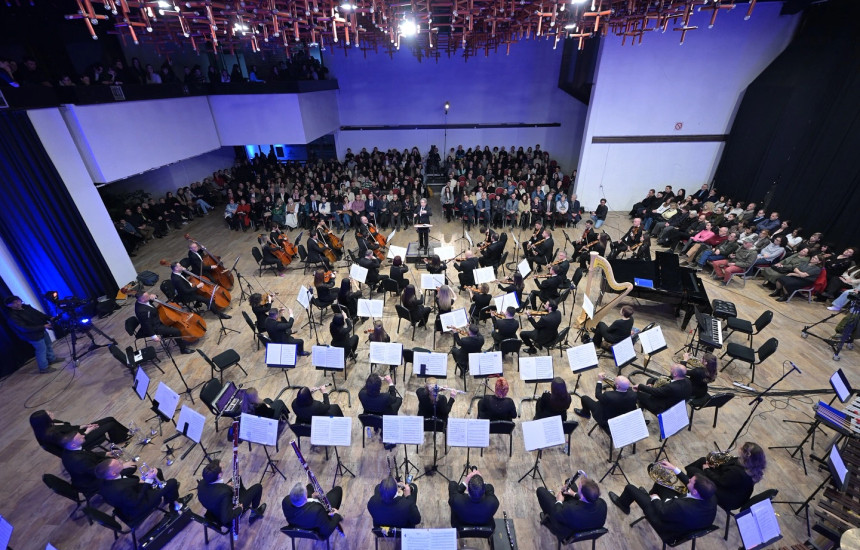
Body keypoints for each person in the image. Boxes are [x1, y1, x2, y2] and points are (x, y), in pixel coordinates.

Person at [609, 470, 717, 541]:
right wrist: (675, 469)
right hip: (686, 522)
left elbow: (662, 512)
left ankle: (623, 504)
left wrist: (656, 498)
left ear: (695, 492)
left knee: (630, 488)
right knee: (662, 484)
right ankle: (648, 496)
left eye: (691, 482)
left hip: (665, 524)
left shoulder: (681, 506)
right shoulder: (710, 495)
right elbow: (688, 485)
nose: (688, 480)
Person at [96, 458, 191, 520]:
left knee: (158, 472)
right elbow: (136, 501)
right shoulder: (119, 490)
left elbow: (128, 482)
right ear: (113, 473)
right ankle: (175, 505)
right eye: (119, 464)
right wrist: (148, 480)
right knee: (172, 482)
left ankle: (168, 495)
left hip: (132, 495)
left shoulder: (105, 480)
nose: (121, 462)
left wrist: (142, 480)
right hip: (139, 506)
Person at [684, 442, 766, 511]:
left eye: (742, 448)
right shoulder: (749, 465)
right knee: (703, 460)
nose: (740, 447)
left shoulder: (737, 472)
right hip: (730, 487)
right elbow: (726, 474)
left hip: (729, 497)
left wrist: (707, 470)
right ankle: (689, 484)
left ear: (746, 455)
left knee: (693, 471)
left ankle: (689, 486)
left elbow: (719, 481)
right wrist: (714, 466)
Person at [61, 431, 135, 494]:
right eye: (80, 437)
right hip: (90, 481)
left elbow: (89, 454)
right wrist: (121, 466)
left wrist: (106, 454)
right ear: (73, 444)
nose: (83, 435)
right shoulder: (79, 460)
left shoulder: (70, 449)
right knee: (131, 468)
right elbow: (97, 472)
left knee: (112, 460)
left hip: (92, 470)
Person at [198, 459, 267, 528]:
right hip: (230, 513)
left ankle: (244, 494)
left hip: (214, 511)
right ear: (219, 475)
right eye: (222, 467)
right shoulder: (224, 493)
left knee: (237, 478)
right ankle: (254, 513)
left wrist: (226, 486)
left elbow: (214, 490)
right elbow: (225, 518)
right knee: (258, 487)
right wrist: (239, 509)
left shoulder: (201, 483)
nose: (223, 467)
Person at [4, 296, 64, 373]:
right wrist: (43, 326)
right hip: (32, 335)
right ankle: (43, 368)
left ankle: (52, 359)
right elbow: (24, 328)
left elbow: (39, 314)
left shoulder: (27, 307)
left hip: (41, 330)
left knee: (48, 345)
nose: (17, 303)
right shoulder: (13, 317)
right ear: (9, 305)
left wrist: (50, 318)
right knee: (41, 350)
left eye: (18, 300)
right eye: (14, 303)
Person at [537, 476, 607, 540]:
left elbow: (557, 513)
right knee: (569, 482)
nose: (578, 488)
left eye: (579, 487)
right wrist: (574, 494)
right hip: (586, 526)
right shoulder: (602, 504)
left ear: (582, 495)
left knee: (540, 490)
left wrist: (559, 501)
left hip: (569, 532)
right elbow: (586, 501)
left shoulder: (570, 509)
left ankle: (546, 517)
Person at [30, 409, 129, 452]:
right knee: (110, 425)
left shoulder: (53, 423)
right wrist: (88, 431)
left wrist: (84, 426)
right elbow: (72, 443)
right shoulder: (53, 434)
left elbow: (69, 427)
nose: (52, 413)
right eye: (49, 414)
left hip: (79, 433)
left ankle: (125, 433)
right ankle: (119, 439)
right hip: (80, 441)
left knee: (109, 419)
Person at [573, 374, 639, 427]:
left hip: (605, 420)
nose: (614, 380)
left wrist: (599, 380)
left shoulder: (608, 395)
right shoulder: (634, 394)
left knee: (584, 398)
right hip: (621, 419)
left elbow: (598, 395)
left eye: (615, 381)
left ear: (617, 386)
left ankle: (585, 413)